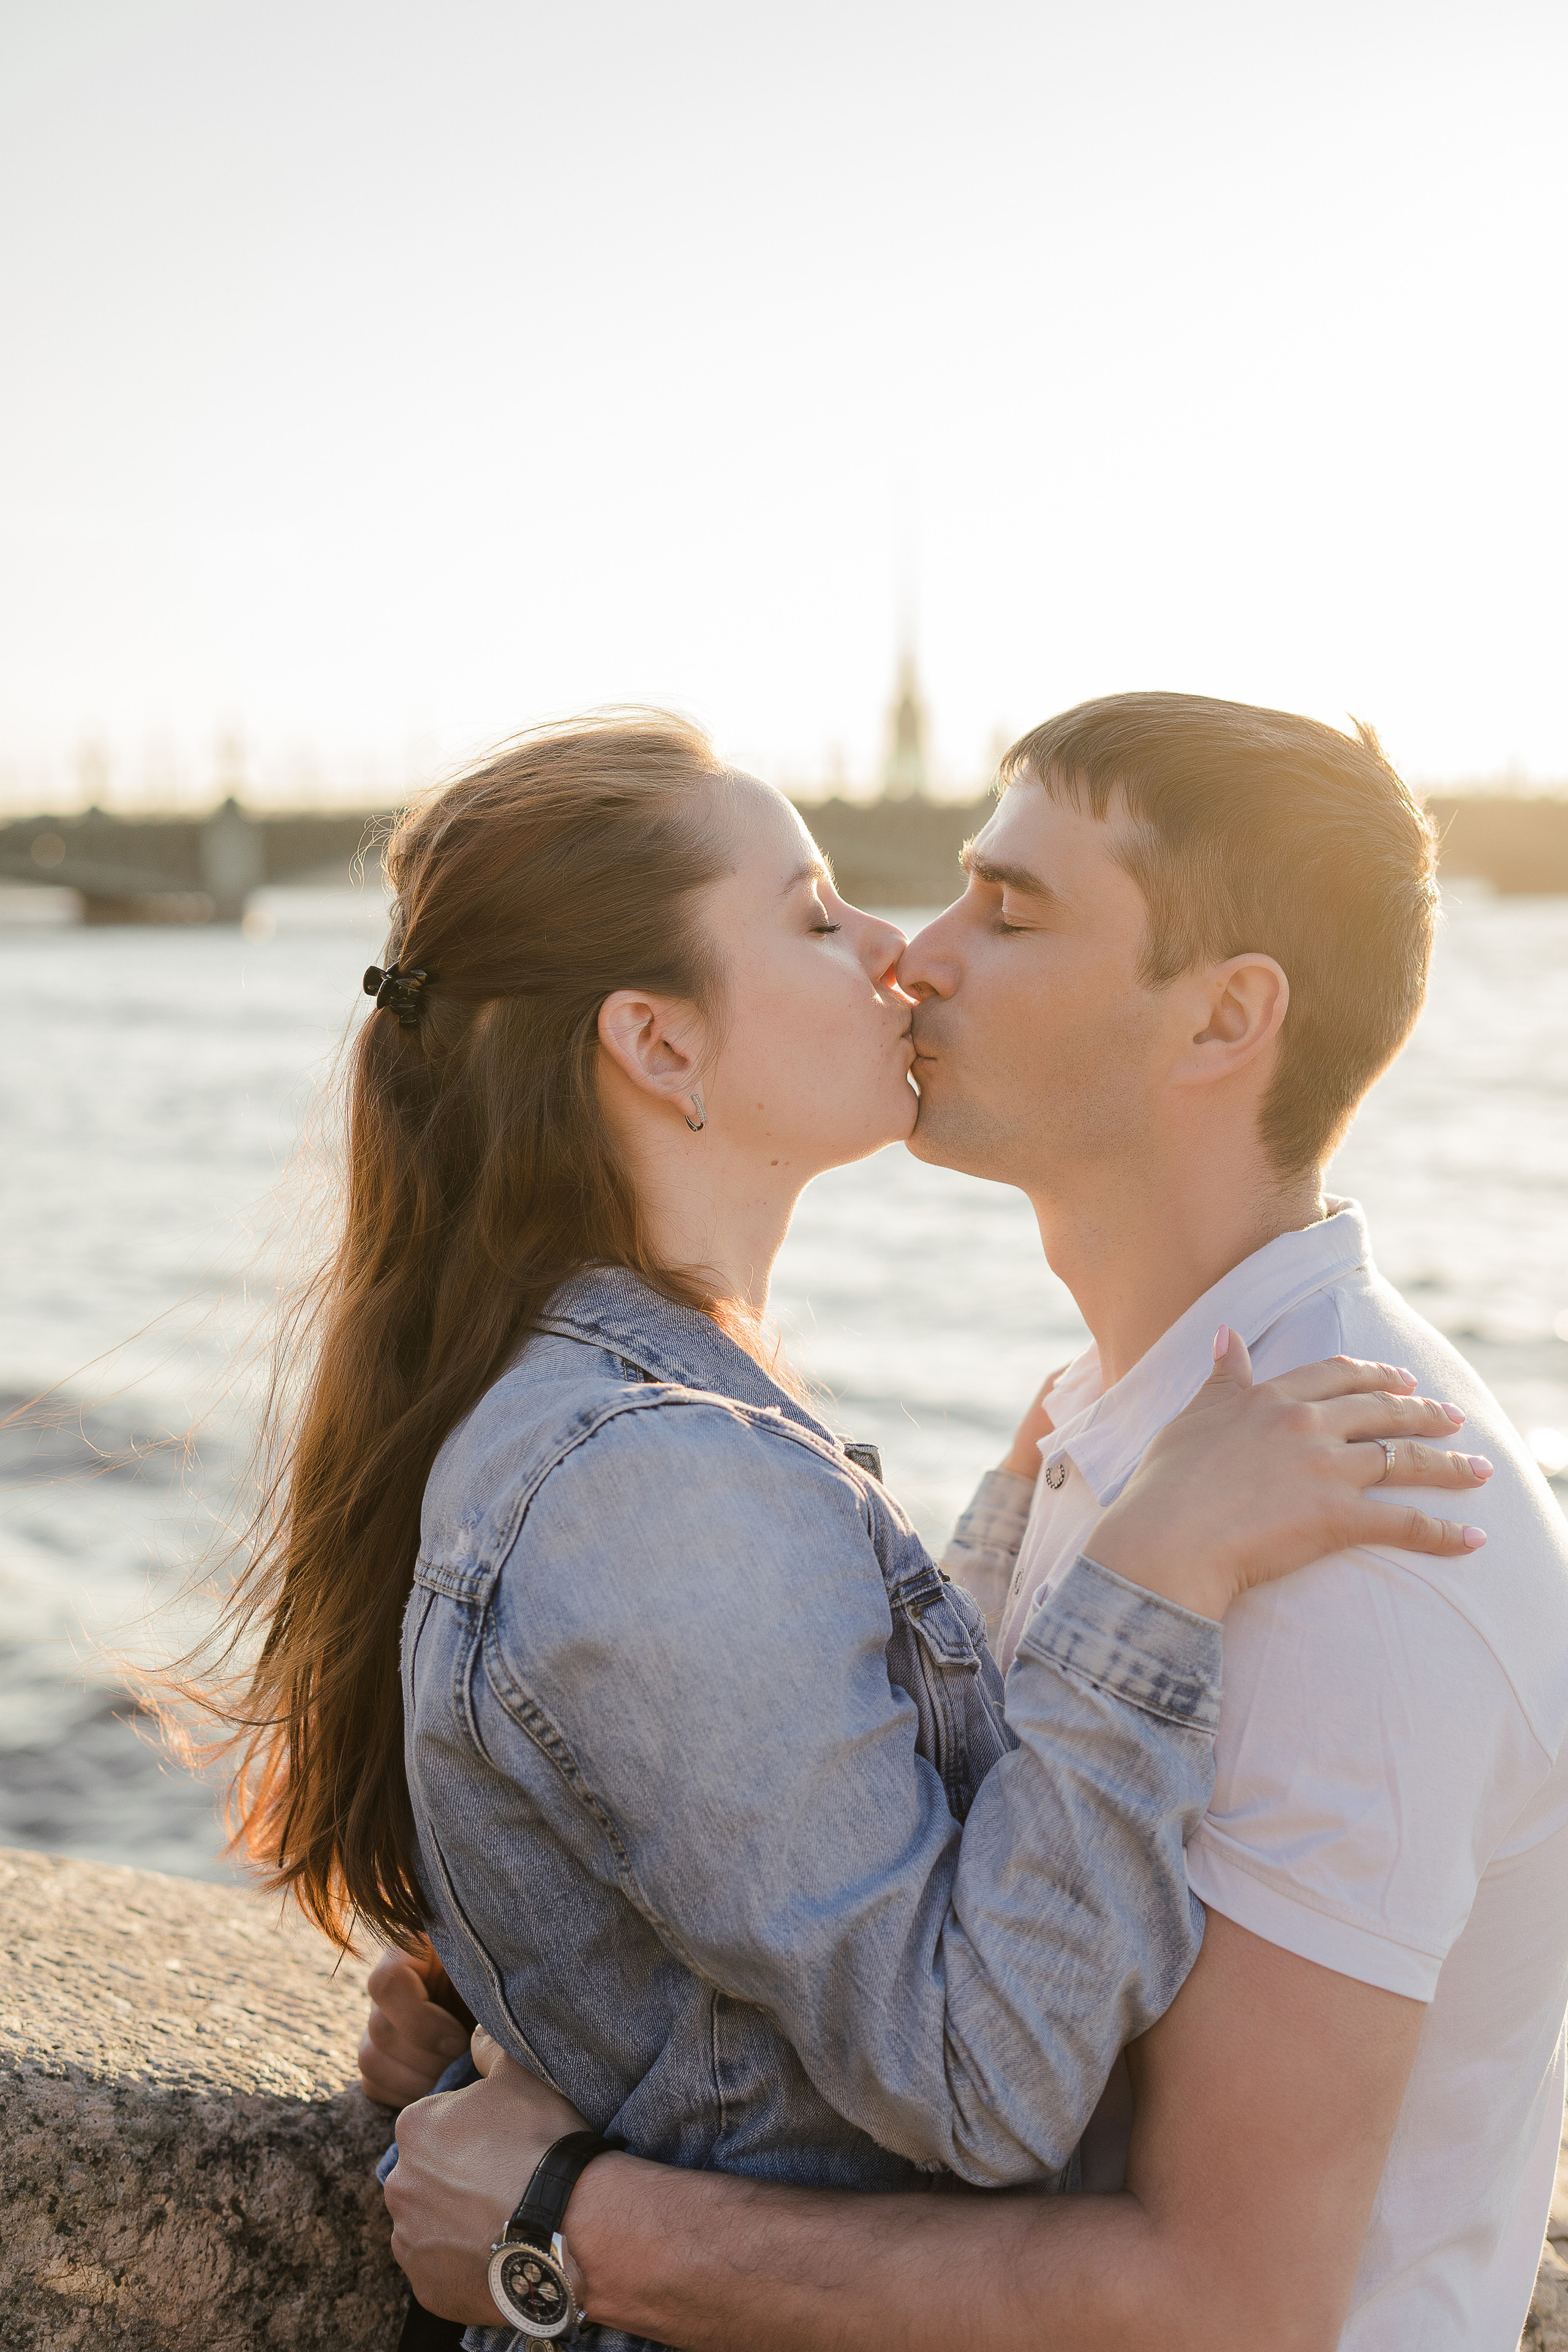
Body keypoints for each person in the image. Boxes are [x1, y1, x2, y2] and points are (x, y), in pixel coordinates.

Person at [374, 695, 1568, 2352]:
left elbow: (1225, 2305)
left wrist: (578, 2220)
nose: (913, 957)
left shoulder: (1361, 1536)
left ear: (1223, 1021)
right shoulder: (1138, 1436)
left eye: (1008, 913)